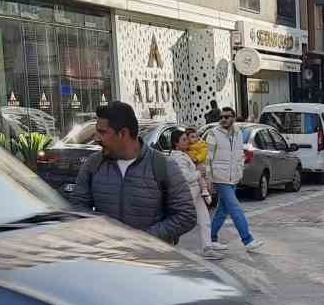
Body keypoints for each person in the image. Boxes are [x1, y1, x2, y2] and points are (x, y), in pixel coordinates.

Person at [68, 101, 195, 243]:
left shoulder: (163, 165)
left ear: (123, 133)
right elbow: (78, 206)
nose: (96, 138)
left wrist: (142, 239)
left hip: (151, 261)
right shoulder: (93, 164)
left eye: (102, 132)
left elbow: (186, 215)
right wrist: (103, 232)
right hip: (107, 259)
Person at [204, 106, 264, 252]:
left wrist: (240, 169)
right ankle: (247, 240)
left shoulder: (239, 133)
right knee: (235, 208)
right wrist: (208, 179)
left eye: (227, 116)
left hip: (234, 177)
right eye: (221, 117)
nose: (223, 119)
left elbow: (240, 154)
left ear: (233, 117)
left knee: (222, 211)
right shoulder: (213, 133)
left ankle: (210, 238)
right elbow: (208, 158)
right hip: (220, 177)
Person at [167, 127, 218, 259]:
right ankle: (169, 243)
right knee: (182, 221)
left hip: (195, 191)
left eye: (186, 139)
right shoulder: (178, 158)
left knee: (204, 219)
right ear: (176, 143)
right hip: (189, 192)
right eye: (183, 140)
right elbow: (186, 177)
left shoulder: (184, 155)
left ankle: (207, 248)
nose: (187, 142)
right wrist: (198, 173)